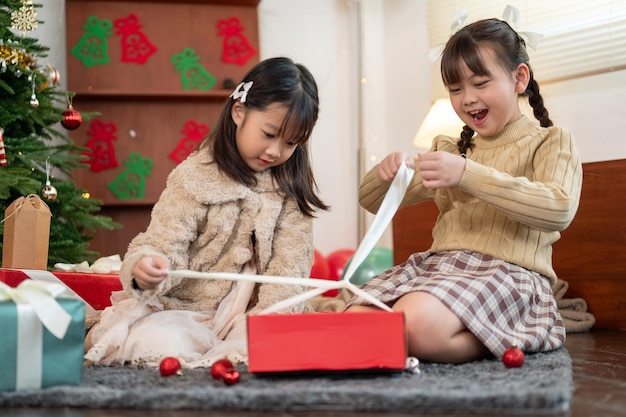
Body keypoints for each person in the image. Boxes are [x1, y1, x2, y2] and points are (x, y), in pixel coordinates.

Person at [346, 17, 583, 364]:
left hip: (510, 273)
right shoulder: (450, 148)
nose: (468, 99)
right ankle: (453, 333)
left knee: (413, 325)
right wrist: (386, 175)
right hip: (440, 267)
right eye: (455, 89)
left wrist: (467, 175)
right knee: (356, 322)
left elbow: (558, 209)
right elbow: (370, 201)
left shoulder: (551, 141)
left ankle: (515, 334)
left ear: (519, 78)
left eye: (480, 83)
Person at [85, 57, 329, 368]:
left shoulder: (289, 191)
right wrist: (148, 268)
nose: (275, 151)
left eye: (291, 143)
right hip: (188, 309)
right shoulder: (195, 177)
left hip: (256, 313)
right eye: (269, 134)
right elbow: (164, 242)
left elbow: (289, 269)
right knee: (155, 344)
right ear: (239, 112)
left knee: (277, 348)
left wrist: (272, 319)